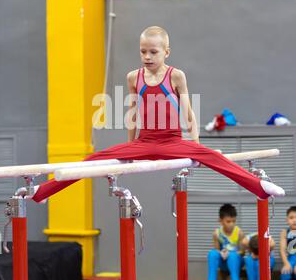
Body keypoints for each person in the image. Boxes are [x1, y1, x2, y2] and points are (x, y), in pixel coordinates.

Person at [29, 26, 285, 203]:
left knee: (212, 157)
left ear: (166, 52)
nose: (147, 56)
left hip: (172, 141)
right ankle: (43, 191)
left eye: (153, 52)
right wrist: (129, 148)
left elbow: (188, 112)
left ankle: (259, 188)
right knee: (93, 159)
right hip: (144, 142)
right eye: (143, 51)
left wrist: (195, 146)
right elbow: (133, 113)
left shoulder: (176, 75)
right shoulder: (133, 77)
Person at [202, 204, 244, 280]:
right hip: (224, 260)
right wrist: (221, 253)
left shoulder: (239, 232)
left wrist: (232, 253)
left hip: (236, 260)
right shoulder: (217, 233)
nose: (231, 224)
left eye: (234, 221)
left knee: (232, 256)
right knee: (212, 253)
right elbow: (217, 250)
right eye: (228, 221)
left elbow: (243, 252)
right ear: (221, 221)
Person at [280, 206, 296, 280]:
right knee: (285, 274)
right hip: (290, 258)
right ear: (287, 220)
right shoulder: (285, 232)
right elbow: (282, 250)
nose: (294, 220)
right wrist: (286, 264)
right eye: (291, 218)